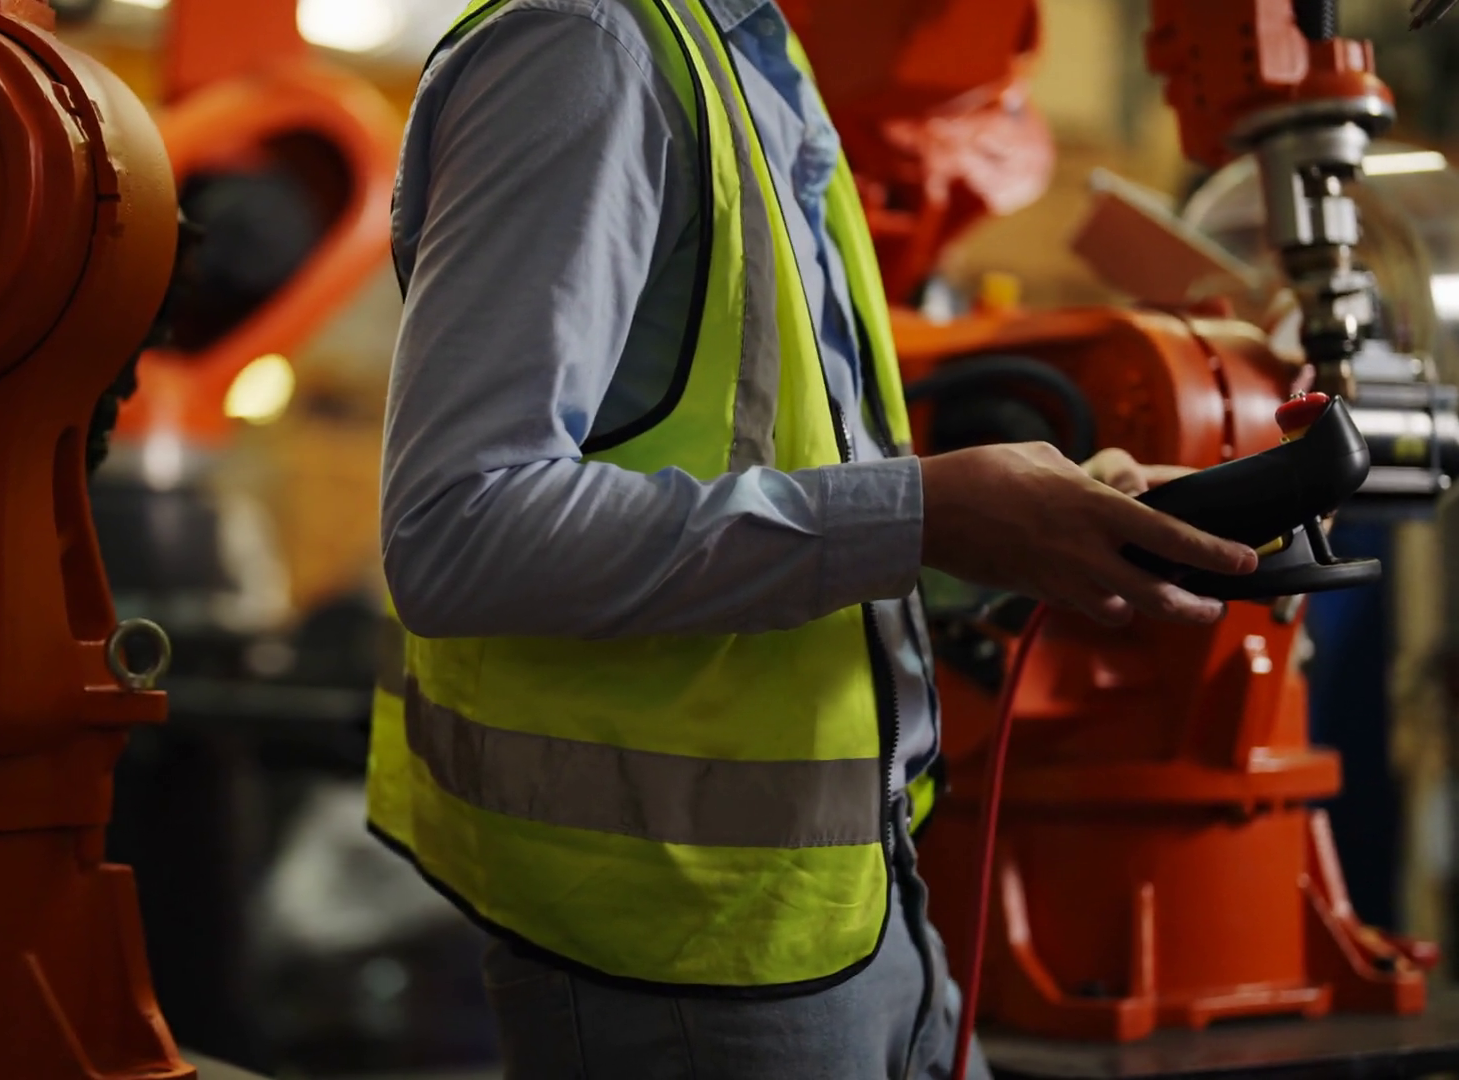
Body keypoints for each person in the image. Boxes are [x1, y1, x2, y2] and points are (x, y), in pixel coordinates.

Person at [364, 1, 1259, 1076]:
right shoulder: (587, 47)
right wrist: (926, 512)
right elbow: (456, 531)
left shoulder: (755, 51)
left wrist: (1041, 517)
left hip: (861, 901)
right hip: (680, 943)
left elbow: (789, 465)